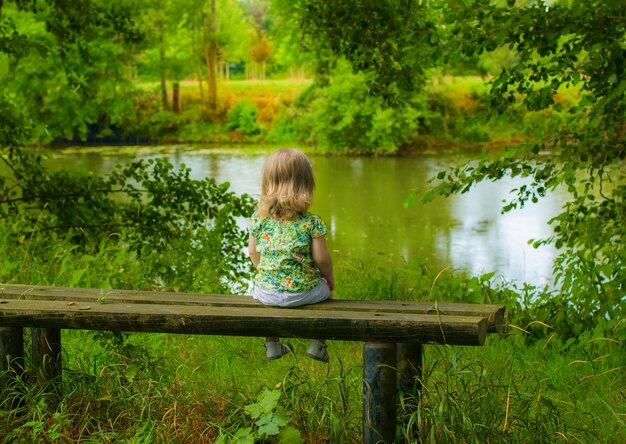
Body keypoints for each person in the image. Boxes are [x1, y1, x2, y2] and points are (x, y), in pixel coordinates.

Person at [248, 148, 334, 363]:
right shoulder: (312, 221)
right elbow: (321, 260)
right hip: (302, 294)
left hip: (266, 293)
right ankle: (317, 344)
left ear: (268, 182)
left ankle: (272, 345)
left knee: (265, 288)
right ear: (306, 184)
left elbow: (252, 252)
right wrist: (329, 277)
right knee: (325, 289)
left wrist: (264, 271)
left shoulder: (258, 218)